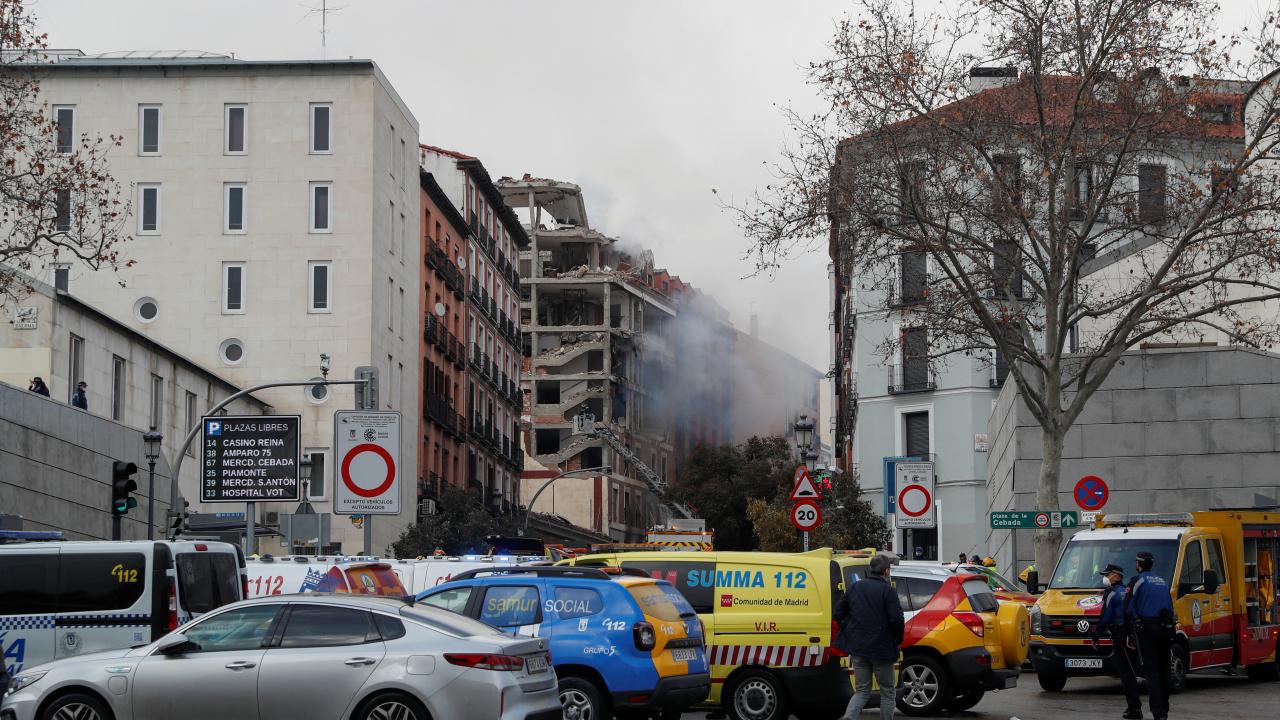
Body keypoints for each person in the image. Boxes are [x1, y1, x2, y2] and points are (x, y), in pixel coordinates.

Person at [834, 554, 904, 720]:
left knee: (862, 691)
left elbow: (838, 614)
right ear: (886, 571)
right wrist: (898, 640)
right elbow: (896, 619)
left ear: (870, 570)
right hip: (882, 649)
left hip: (859, 649)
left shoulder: (854, 588)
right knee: (887, 691)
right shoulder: (887, 590)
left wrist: (852, 630)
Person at [1127, 551, 1176, 720]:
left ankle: (1158, 712)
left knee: (1152, 672)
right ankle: (1165, 709)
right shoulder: (1162, 582)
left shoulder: (1138, 581)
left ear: (1138, 565)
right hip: (1165, 629)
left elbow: (1129, 608)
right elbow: (1170, 609)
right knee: (1164, 670)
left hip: (1148, 630)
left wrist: (1130, 633)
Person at [1093, 563, 1141, 719]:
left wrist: (1096, 636)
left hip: (1120, 637)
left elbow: (1105, 617)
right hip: (1132, 637)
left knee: (1126, 674)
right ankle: (1134, 707)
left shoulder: (1112, 593)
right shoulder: (1127, 591)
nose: (1105, 578)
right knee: (1131, 671)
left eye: (1108, 574)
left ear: (1117, 575)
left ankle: (1134, 708)